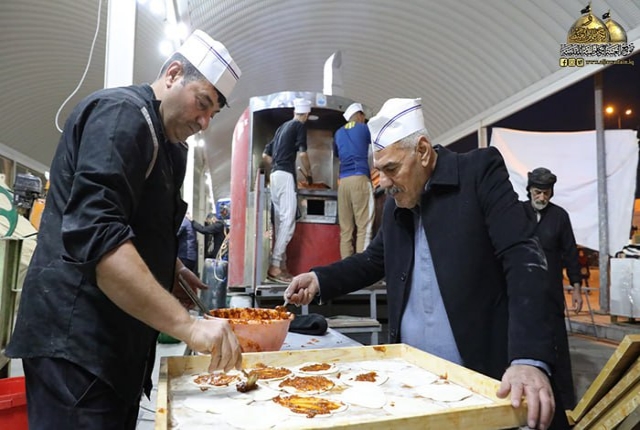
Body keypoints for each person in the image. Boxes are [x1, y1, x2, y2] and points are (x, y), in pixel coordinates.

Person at [6, 29, 243, 429]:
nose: (204, 122)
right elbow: (99, 237)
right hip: (77, 346)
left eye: (212, 114)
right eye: (202, 103)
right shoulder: (121, 115)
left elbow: (138, 222)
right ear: (173, 74)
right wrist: (188, 326)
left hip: (117, 346)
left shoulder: (170, 147)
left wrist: (168, 268)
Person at [285, 98, 568, 430]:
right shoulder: (397, 205)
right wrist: (320, 279)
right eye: (379, 171)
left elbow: (523, 258)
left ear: (421, 150)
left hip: (480, 379)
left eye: (391, 169)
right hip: (415, 382)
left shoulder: (478, 173)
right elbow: (374, 259)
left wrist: (528, 359)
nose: (383, 182)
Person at [523, 167, 583, 409]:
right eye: (537, 192)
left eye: (546, 193)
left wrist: (576, 287)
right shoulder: (517, 213)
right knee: (523, 340)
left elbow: (570, 252)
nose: (541, 197)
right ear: (529, 190)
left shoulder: (559, 216)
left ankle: (563, 401)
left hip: (551, 292)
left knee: (555, 342)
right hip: (521, 291)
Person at [262, 98, 313, 283]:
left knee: (279, 222)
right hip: (285, 176)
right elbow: (303, 154)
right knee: (288, 221)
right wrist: (309, 173)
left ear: (294, 112)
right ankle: (275, 265)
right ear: (306, 114)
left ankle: (280, 266)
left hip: (275, 176)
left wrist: (277, 165)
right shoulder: (299, 126)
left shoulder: (281, 128)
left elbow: (265, 155)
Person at [334, 102, 375, 258]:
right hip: (360, 179)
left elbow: (337, 154)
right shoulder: (364, 128)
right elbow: (378, 147)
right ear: (360, 115)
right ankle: (361, 269)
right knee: (364, 228)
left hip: (343, 183)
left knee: (346, 231)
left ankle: (346, 268)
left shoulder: (338, 133)